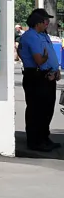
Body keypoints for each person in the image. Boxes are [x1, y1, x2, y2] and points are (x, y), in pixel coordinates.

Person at [18, 8, 61, 152]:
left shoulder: (42, 35)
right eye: (45, 20)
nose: (47, 23)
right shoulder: (31, 37)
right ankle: (35, 141)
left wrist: (55, 70)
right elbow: (40, 60)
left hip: (47, 76)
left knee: (47, 110)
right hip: (37, 77)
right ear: (38, 22)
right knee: (36, 111)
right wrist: (46, 60)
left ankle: (44, 138)